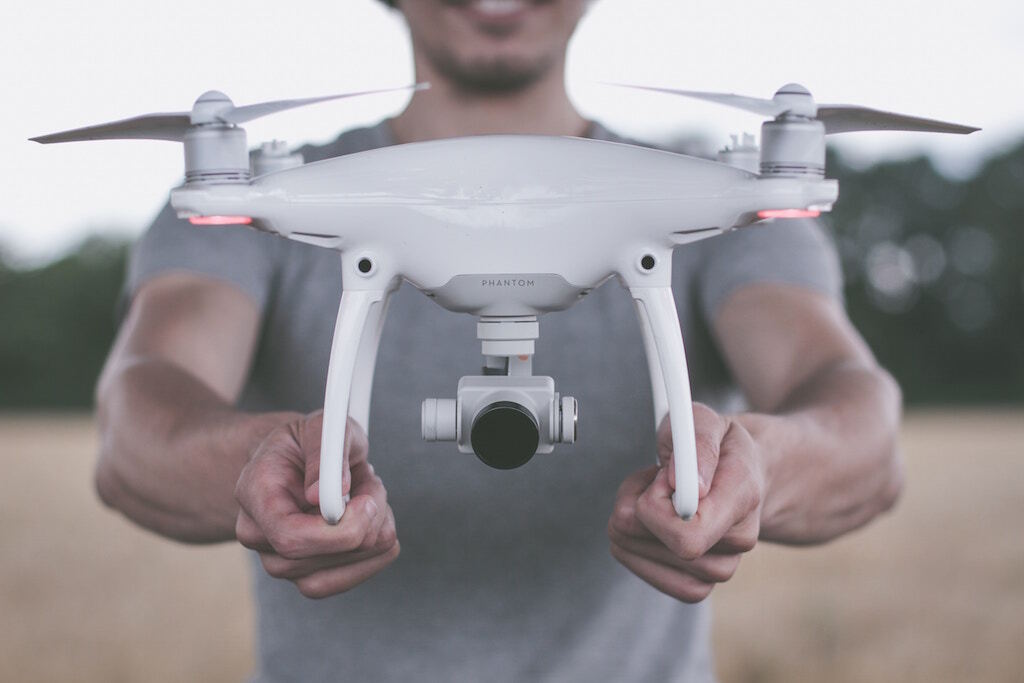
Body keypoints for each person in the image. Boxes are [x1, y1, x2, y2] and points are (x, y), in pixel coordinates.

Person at [94, 1, 904, 680]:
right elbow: (139, 418)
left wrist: (761, 467)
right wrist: (256, 465)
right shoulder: (258, 208)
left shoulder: (727, 213)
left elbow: (854, 419)